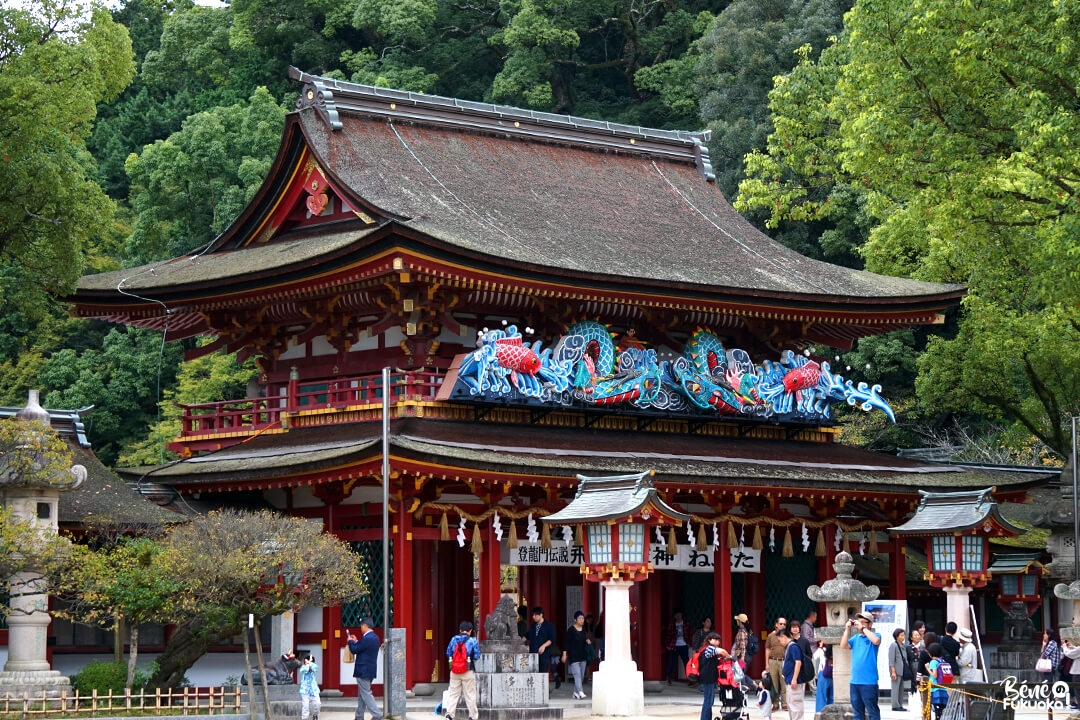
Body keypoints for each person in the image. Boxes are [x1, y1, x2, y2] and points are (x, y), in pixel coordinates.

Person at [843, 611, 881, 720]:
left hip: (869, 682)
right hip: (854, 682)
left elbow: (876, 641)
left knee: (872, 712)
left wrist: (863, 628)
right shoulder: (856, 638)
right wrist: (847, 629)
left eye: (864, 622)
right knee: (857, 713)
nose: (861, 624)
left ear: (870, 624)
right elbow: (843, 645)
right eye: (859, 622)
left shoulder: (876, 635)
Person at [347, 618, 382, 720]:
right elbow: (362, 648)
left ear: (365, 626)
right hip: (370, 670)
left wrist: (350, 642)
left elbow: (354, 649)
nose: (361, 628)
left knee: (366, 693)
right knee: (362, 694)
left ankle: (377, 714)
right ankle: (359, 716)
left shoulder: (367, 638)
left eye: (361, 626)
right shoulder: (374, 637)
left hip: (363, 670)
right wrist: (356, 641)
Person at [445, 620, 480, 720]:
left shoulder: (453, 639)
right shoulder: (473, 641)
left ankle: (449, 715)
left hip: (455, 671)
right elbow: (477, 656)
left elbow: (448, 653)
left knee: (453, 694)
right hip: (468, 670)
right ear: (470, 631)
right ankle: (473, 716)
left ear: (460, 630)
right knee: (470, 694)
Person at [697, 632, 729, 720]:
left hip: (708, 678)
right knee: (708, 701)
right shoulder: (710, 649)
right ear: (709, 640)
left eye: (718, 640)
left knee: (709, 700)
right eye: (715, 639)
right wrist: (729, 657)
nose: (717, 642)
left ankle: (707, 718)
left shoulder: (708, 649)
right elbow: (722, 651)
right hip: (707, 678)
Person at [562, 611, 591, 700]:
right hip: (573, 656)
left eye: (583, 618)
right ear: (575, 620)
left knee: (581, 675)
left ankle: (575, 692)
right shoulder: (571, 630)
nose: (582, 620)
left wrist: (587, 641)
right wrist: (564, 654)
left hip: (582, 655)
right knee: (577, 674)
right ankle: (581, 692)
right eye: (580, 618)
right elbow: (566, 643)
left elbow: (584, 639)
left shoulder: (583, 630)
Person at [529, 607, 558, 686]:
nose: (533, 617)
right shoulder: (533, 626)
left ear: (541, 615)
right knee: (533, 672)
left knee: (542, 672)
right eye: (533, 615)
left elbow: (552, 639)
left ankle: (543, 690)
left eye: (535, 615)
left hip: (544, 653)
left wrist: (544, 646)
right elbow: (527, 635)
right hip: (533, 653)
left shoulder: (549, 626)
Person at [780, 628, 805, 720]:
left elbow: (798, 662)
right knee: (791, 705)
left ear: (784, 637)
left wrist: (794, 679)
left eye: (780, 639)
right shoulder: (789, 647)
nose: (780, 642)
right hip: (790, 680)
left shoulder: (793, 647)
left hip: (795, 681)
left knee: (796, 706)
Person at [764, 617, 788, 711]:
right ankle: (775, 704)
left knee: (784, 683)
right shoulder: (771, 636)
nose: (782, 626)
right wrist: (766, 663)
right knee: (774, 683)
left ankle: (785, 703)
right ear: (776, 624)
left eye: (784, 624)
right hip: (773, 660)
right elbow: (767, 649)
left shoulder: (787, 635)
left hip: (784, 661)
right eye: (781, 624)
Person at [665, 609, 693, 685]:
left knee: (686, 662)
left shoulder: (686, 624)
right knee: (671, 662)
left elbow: (690, 633)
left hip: (684, 645)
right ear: (674, 616)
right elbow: (668, 635)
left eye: (679, 614)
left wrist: (689, 643)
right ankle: (668, 678)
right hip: (674, 646)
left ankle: (690, 679)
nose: (678, 616)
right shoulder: (672, 624)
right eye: (676, 615)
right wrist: (668, 645)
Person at [790, 622, 814, 697]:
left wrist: (805, 661)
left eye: (796, 627)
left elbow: (809, 654)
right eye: (793, 627)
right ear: (790, 629)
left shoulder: (804, 641)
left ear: (799, 629)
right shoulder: (788, 641)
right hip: (791, 666)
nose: (795, 629)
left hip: (802, 667)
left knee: (801, 686)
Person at [888, 628, 910, 710]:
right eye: (901, 635)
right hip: (896, 670)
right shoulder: (893, 645)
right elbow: (891, 659)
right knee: (895, 688)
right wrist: (893, 671)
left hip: (902, 670)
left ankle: (900, 704)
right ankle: (895, 705)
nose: (903, 637)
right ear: (897, 636)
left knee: (901, 689)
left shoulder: (903, 646)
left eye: (903, 635)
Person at [927, 643, 949, 720]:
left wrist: (927, 668)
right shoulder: (942, 660)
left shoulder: (933, 662)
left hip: (935, 689)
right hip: (943, 688)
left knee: (936, 710)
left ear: (930, 653)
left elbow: (934, 675)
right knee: (941, 710)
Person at [298, 654, 320, 720]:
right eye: (306, 661)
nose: (307, 662)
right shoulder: (303, 667)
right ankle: (304, 718)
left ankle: (315, 715)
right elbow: (304, 670)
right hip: (305, 691)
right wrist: (308, 663)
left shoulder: (314, 667)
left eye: (309, 661)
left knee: (318, 704)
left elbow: (314, 667)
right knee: (305, 707)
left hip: (314, 690)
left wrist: (309, 662)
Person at [815, 645, 833, 713]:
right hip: (833, 674)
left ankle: (820, 714)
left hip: (823, 674)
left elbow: (814, 657)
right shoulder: (835, 650)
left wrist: (820, 646)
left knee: (821, 697)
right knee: (832, 697)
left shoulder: (821, 650)